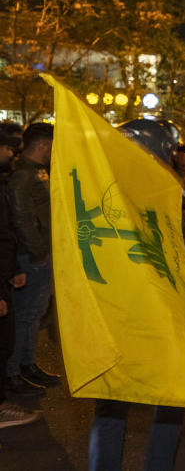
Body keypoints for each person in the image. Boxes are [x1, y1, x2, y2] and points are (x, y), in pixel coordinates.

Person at [93, 118, 185, 470]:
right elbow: (170, 262)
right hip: (152, 314)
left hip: (111, 311)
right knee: (171, 395)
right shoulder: (148, 196)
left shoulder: (99, 185)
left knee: (111, 402)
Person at [4, 122, 60, 397]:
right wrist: (37, 251)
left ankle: (27, 365)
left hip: (39, 251)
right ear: (43, 145)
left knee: (35, 314)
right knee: (25, 316)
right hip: (31, 255)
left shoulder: (36, 172)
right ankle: (14, 372)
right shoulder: (23, 176)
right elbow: (21, 217)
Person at [0, 131, 41, 427]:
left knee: (22, 321)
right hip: (14, 265)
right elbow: (14, 222)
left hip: (9, 266)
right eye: (8, 148)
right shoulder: (20, 178)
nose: (13, 153)